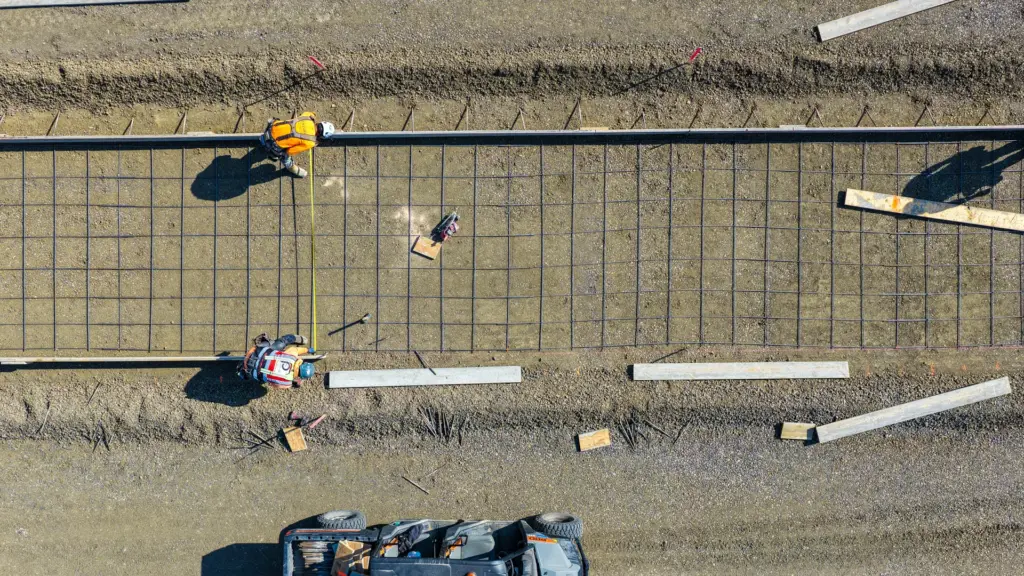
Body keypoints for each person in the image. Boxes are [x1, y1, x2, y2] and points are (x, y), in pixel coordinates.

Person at [260, 112, 335, 178]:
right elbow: (290, 151)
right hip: (272, 143)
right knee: (286, 157)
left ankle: (266, 140)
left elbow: (312, 113)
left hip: (272, 126)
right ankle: (291, 168)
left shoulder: (308, 117)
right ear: (322, 136)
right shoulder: (310, 142)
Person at [238, 333, 315, 390]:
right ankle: (242, 371)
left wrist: (307, 350)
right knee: (263, 376)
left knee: (284, 341)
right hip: (249, 370)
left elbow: (296, 350)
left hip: (255, 351)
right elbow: (273, 384)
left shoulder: (292, 357)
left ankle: (298, 338)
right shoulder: (287, 384)